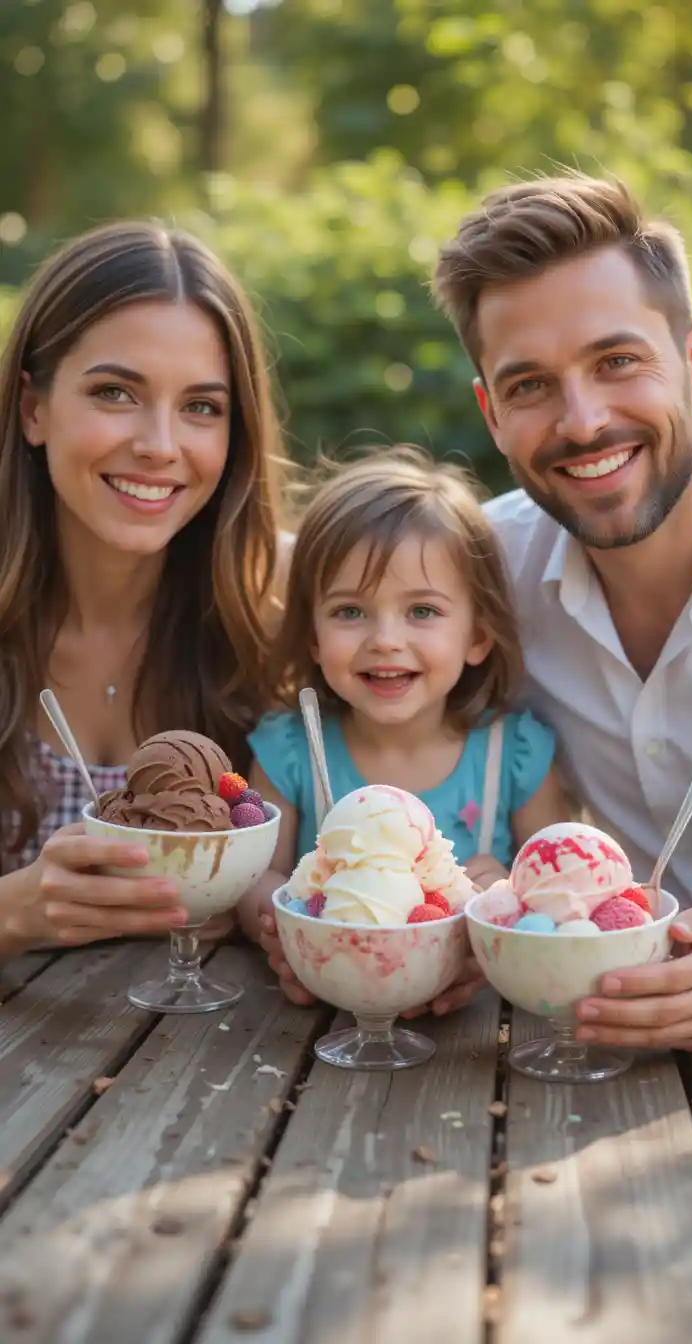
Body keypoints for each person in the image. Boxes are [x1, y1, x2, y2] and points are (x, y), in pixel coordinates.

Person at [433, 171, 692, 1052]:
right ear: (492, 415)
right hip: (578, 1040)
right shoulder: (479, 575)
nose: (583, 422)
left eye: (618, 362)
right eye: (531, 386)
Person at [0, 220, 284, 957]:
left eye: (201, 407)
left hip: (212, 1060)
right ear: (34, 408)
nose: (161, 444)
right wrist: (14, 914)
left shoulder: (277, 614)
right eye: (116, 392)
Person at [239, 448, 568, 1011]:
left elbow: (557, 896)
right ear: (314, 637)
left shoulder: (511, 753)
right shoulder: (290, 749)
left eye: (422, 612)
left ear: (477, 636)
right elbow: (254, 879)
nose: (385, 639)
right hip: (323, 1018)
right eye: (349, 611)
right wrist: (285, 919)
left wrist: (506, 901)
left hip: (479, 1037)